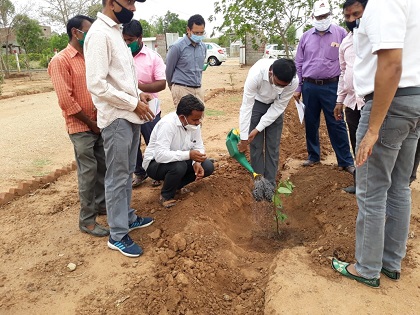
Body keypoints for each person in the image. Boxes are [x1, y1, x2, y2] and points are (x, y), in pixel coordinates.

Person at [332, 0, 420, 288]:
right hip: (413, 101)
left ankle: (367, 268)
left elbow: (391, 63)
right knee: (398, 186)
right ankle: (391, 263)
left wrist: (372, 129)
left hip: (390, 104)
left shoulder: (384, 4)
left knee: (371, 190)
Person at [84, 0, 155, 258]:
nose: (133, 8)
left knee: (125, 173)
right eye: (129, 2)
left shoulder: (115, 32)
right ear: (112, 2)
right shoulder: (99, 34)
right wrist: (132, 103)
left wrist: (138, 95)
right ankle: (117, 234)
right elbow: (97, 85)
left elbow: (122, 79)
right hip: (117, 118)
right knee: (116, 176)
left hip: (130, 114)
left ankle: (126, 217)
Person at [48, 15, 109, 237]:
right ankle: (87, 220)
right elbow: (66, 101)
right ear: (76, 32)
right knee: (88, 172)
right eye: (88, 32)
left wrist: (98, 121)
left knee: (102, 167)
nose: (91, 36)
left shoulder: (90, 57)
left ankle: (101, 206)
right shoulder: (60, 61)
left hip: (98, 123)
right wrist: (90, 123)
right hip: (81, 126)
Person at [294, 0, 355, 174]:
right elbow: (298, 62)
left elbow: (347, 61)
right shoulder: (306, 37)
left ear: (330, 15)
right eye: (319, 16)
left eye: (325, 16)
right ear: (313, 16)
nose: (322, 19)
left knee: (336, 122)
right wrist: (298, 87)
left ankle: (345, 160)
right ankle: (313, 156)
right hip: (309, 86)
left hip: (332, 86)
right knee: (311, 122)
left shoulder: (341, 33)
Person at [143, 94, 214, 208]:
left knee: (208, 166)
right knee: (178, 166)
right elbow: (160, 155)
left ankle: (176, 186)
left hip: (177, 161)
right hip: (154, 164)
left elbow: (199, 146)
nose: (198, 122)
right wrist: (189, 155)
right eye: (195, 119)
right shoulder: (167, 125)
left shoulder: (194, 125)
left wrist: (196, 162)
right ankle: (166, 195)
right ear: (182, 118)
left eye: (199, 119)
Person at [237, 58, 298, 191]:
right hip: (257, 104)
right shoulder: (256, 75)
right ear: (271, 73)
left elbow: (279, 107)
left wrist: (258, 128)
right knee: (256, 146)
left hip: (275, 107)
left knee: (273, 146)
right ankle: (259, 182)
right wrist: (244, 137)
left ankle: (270, 184)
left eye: (284, 86)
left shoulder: (293, 82)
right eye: (278, 83)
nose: (280, 87)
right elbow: (247, 106)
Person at [122, 20, 166, 188]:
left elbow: (161, 83)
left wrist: (137, 87)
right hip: (128, 107)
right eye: (124, 40)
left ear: (140, 38)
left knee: (153, 142)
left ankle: (158, 172)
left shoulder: (153, 57)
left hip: (150, 109)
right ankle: (140, 172)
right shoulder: (121, 57)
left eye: (130, 40)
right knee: (132, 145)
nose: (127, 43)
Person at [333, 0, 367, 194]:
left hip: (372, 102)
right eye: (347, 16)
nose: (352, 20)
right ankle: (360, 184)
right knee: (356, 142)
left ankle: (379, 189)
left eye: (356, 14)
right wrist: (339, 101)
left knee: (375, 146)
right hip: (353, 103)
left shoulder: (374, 38)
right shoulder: (346, 42)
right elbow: (343, 72)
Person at [165, 14, 207, 107]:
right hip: (182, 89)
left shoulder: (203, 47)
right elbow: (169, 70)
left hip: (198, 89)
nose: (199, 36)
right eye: (196, 33)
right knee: (184, 120)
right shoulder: (177, 47)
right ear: (188, 30)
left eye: (201, 33)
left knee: (198, 120)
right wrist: (172, 87)